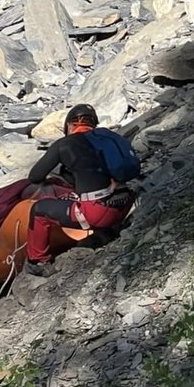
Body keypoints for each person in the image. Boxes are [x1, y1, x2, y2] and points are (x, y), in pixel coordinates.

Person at [25, 104, 137, 277]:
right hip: (125, 203)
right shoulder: (107, 138)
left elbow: (35, 176)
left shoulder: (64, 144)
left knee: (38, 211)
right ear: (93, 124)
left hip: (98, 213)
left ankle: (38, 261)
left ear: (69, 125)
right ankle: (108, 229)